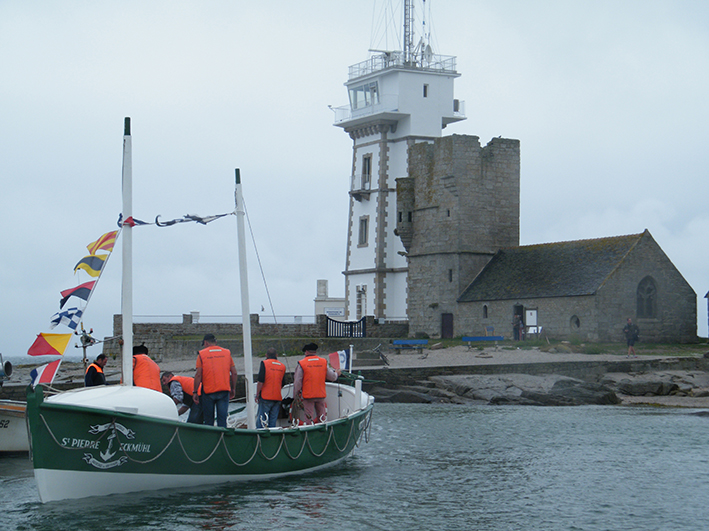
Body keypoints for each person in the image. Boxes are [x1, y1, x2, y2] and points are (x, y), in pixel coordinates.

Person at [193, 334, 237, 428]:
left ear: (206, 343)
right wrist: (233, 389)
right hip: (224, 390)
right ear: (215, 342)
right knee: (222, 420)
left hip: (208, 392)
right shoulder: (227, 353)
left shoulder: (202, 354)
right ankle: (222, 439)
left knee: (209, 421)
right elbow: (234, 373)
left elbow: (198, 375)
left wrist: (195, 391)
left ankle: (210, 440)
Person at [292, 343, 340, 425]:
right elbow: (332, 377)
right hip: (320, 394)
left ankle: (309, 432)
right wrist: (336, 374)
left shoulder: (302, 364)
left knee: (308, 417)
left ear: (306, 352)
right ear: (315, 351)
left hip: (308, 396)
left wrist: (295, 395)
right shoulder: (323, 362)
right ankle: (322, 430)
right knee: (322, 416)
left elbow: (297, 382)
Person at [256, 347, 286, 428]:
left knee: (262, 421)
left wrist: (257, 394)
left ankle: (261, 437)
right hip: (277, 397)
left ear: (266, 355)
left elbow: (260, 381)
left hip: (266, 397)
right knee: (273, 421)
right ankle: (272, 438)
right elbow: (283, 383)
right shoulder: (282, 366)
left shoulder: (264, 363)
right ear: (276, 355)